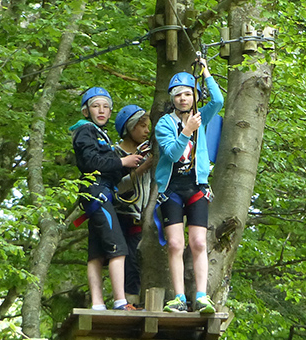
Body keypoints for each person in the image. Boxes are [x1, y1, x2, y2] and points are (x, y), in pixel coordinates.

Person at [154, 57, 224, 314]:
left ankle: (202, 295)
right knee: (175, 244)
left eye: (187, 94)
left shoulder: (200, 117)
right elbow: (171, 155)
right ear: (172, 99)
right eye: (178, 95)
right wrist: (186, 132)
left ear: (194, 96)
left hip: (197, 187)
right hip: (171, 188)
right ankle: (179, 297)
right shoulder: (165, 123)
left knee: (198, 242)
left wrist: (206, 74)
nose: (183, 99)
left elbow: (218, 101)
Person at [69, 87, 144, 311]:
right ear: (86, 111)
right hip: (97, 193)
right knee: (118, 247)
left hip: (99, 193)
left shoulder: (100, 134)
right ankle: (121, 302)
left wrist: (135, 163)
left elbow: (108, 170)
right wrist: (122, 162)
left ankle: (97, 304)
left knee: (97, 252)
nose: (101, 111)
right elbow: (90, 162)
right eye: (95, 106)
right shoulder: (86, 131)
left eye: (105, 107)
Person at [113, 105, 153, 306]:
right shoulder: (115, 153)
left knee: (136, 259)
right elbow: (117, 187)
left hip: (141, 214)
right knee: (122, 256)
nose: (147, 130)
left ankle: (134, 299)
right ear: (129, 128)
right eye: (142, 126)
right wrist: (142, 168)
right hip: (121, 213)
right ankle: (123, 300)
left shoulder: (148, 152)